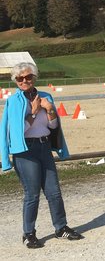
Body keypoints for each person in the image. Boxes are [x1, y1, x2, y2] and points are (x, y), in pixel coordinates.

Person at [0, 62, 83, 248]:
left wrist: (50, 110)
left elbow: (53, 127)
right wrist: (34, 111)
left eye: (28, 77)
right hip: (25, 152)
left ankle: (61, 228)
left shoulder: (46, 96)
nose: (24, 81)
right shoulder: (13, 102)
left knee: (54, 192)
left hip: (44, 148)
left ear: (34, 77)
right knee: (32, 194)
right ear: (15, 81)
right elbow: (15, 132)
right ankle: (28, 233)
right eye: (20, 78)